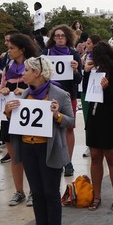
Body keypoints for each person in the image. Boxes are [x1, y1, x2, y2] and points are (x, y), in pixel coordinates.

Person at [3, 56, 74, 225]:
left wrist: (57, 115)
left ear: (37, 73)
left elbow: (71, 121)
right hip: (28, 148)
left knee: (51, 192)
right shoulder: (25, 94)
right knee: (37, 192)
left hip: (48, 149)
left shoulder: (59, 94)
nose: (22, 74)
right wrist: (8, 112)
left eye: (26, 70)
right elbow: (18, 120)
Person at [85, 42, 113, 211]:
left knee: (111, 156)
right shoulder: (94, 72)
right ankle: (96, 195)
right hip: (95, 117)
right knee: (95, 156)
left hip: (111, 119)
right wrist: (86, 73)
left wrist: (107, 88)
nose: (91, 59)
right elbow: (86, 92)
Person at [2, 33, 40, 206]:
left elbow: (42, 86)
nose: (8, 51)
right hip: (10, 114)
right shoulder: (7, 66)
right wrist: (2, 90)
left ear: (22, 49)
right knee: (14, 155)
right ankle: (19, 191)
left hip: (29, 116)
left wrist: (25, 90)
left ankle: (34, 190)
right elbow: (1, 85)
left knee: (31, 155)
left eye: (12, 48)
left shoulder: (34, 65)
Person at [45, 25, 82, 177]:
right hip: (49, 96)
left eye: (63, 36)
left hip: (68, 96)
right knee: (50, 128)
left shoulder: (73, 54)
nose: (60, 38)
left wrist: (75, 70)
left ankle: (68, 161)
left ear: (68, 37)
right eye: (57, 35)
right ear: (53, 37)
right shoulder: (45, 53)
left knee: (68, 127)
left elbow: (79, 79)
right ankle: (52, 160)